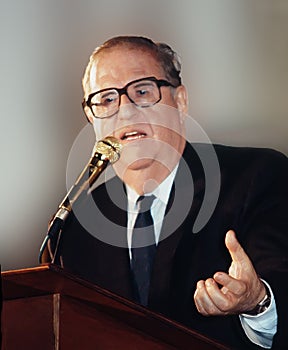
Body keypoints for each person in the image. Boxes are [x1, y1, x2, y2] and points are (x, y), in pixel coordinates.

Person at [44, 36, 288, 349]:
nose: (125, 111)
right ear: (92, 119)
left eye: (142, 91)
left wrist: (257, 303)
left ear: (181, 101)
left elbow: (281, 286)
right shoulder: (76, 224)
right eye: (106, 100)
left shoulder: (256, 176)